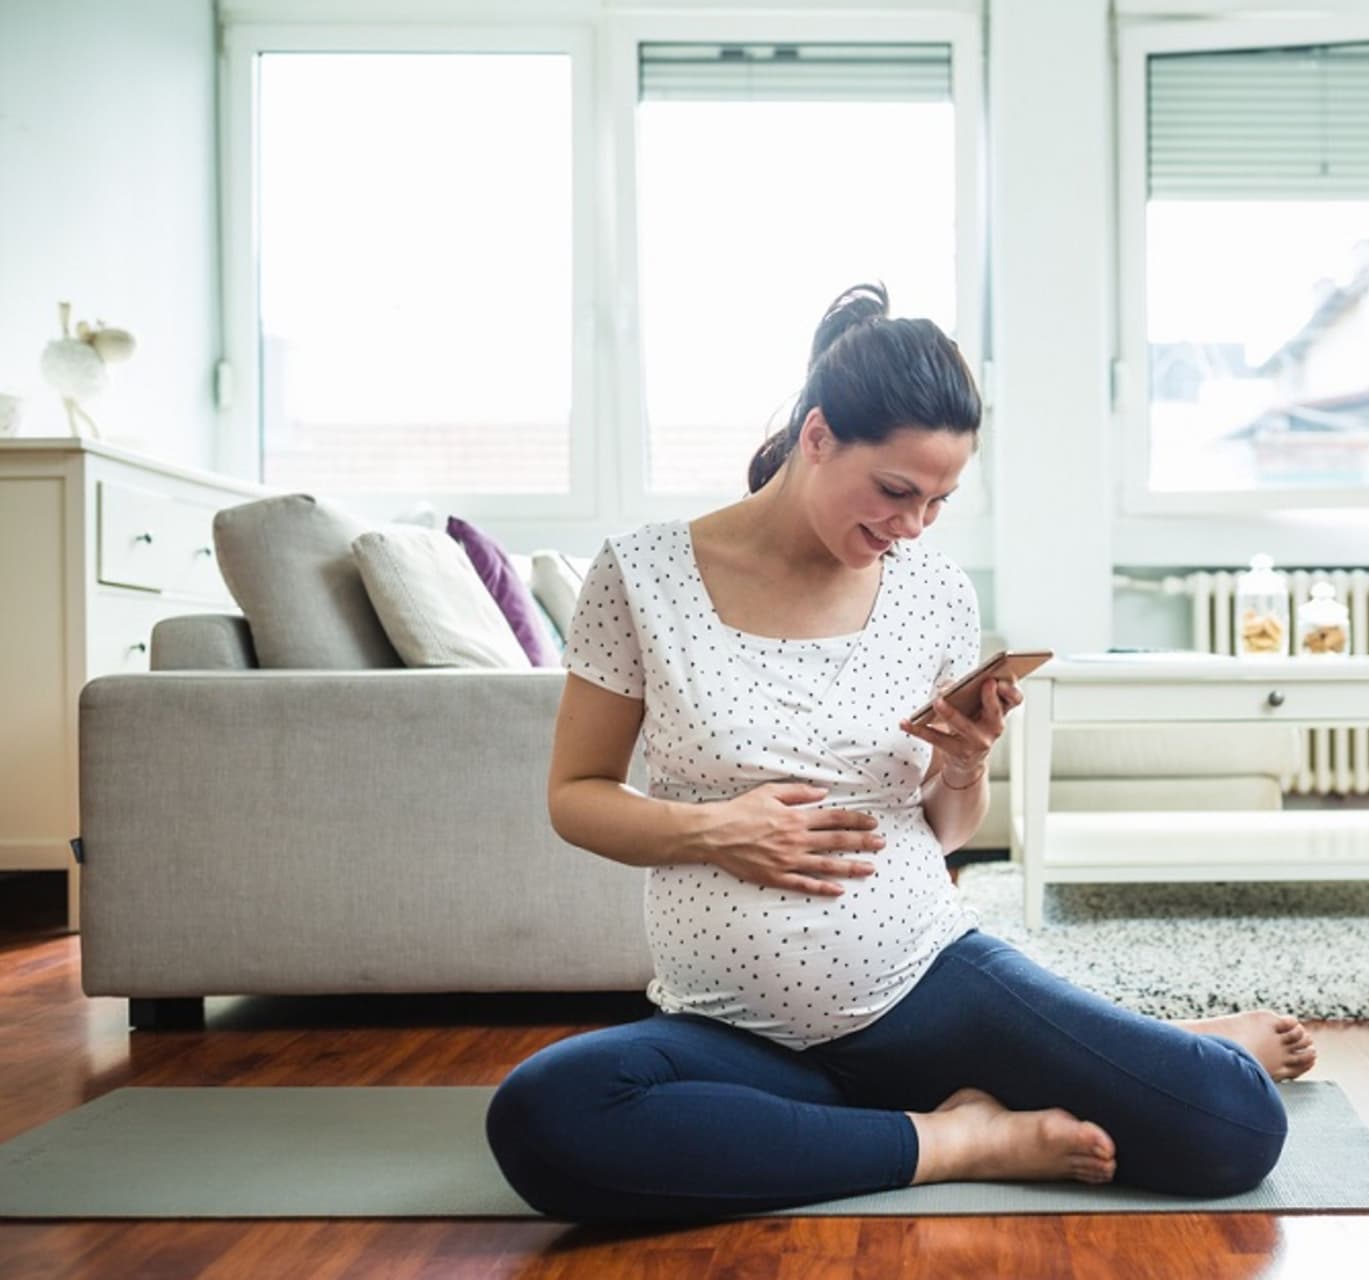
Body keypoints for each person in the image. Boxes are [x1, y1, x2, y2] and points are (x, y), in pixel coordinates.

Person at [484, 283, 1318, 1224]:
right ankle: (960, 1135)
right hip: (727, 1023)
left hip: (928, 986)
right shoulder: (641, 575)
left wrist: (964, 767)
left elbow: (950, 831)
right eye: (895, 492)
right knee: (544, 1119)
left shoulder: (933, 591)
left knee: (1234, 1126)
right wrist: (712, 830)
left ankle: (1157, 1050)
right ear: (817, 436)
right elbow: (575, 795)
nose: (913, 526)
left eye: (940, 501)